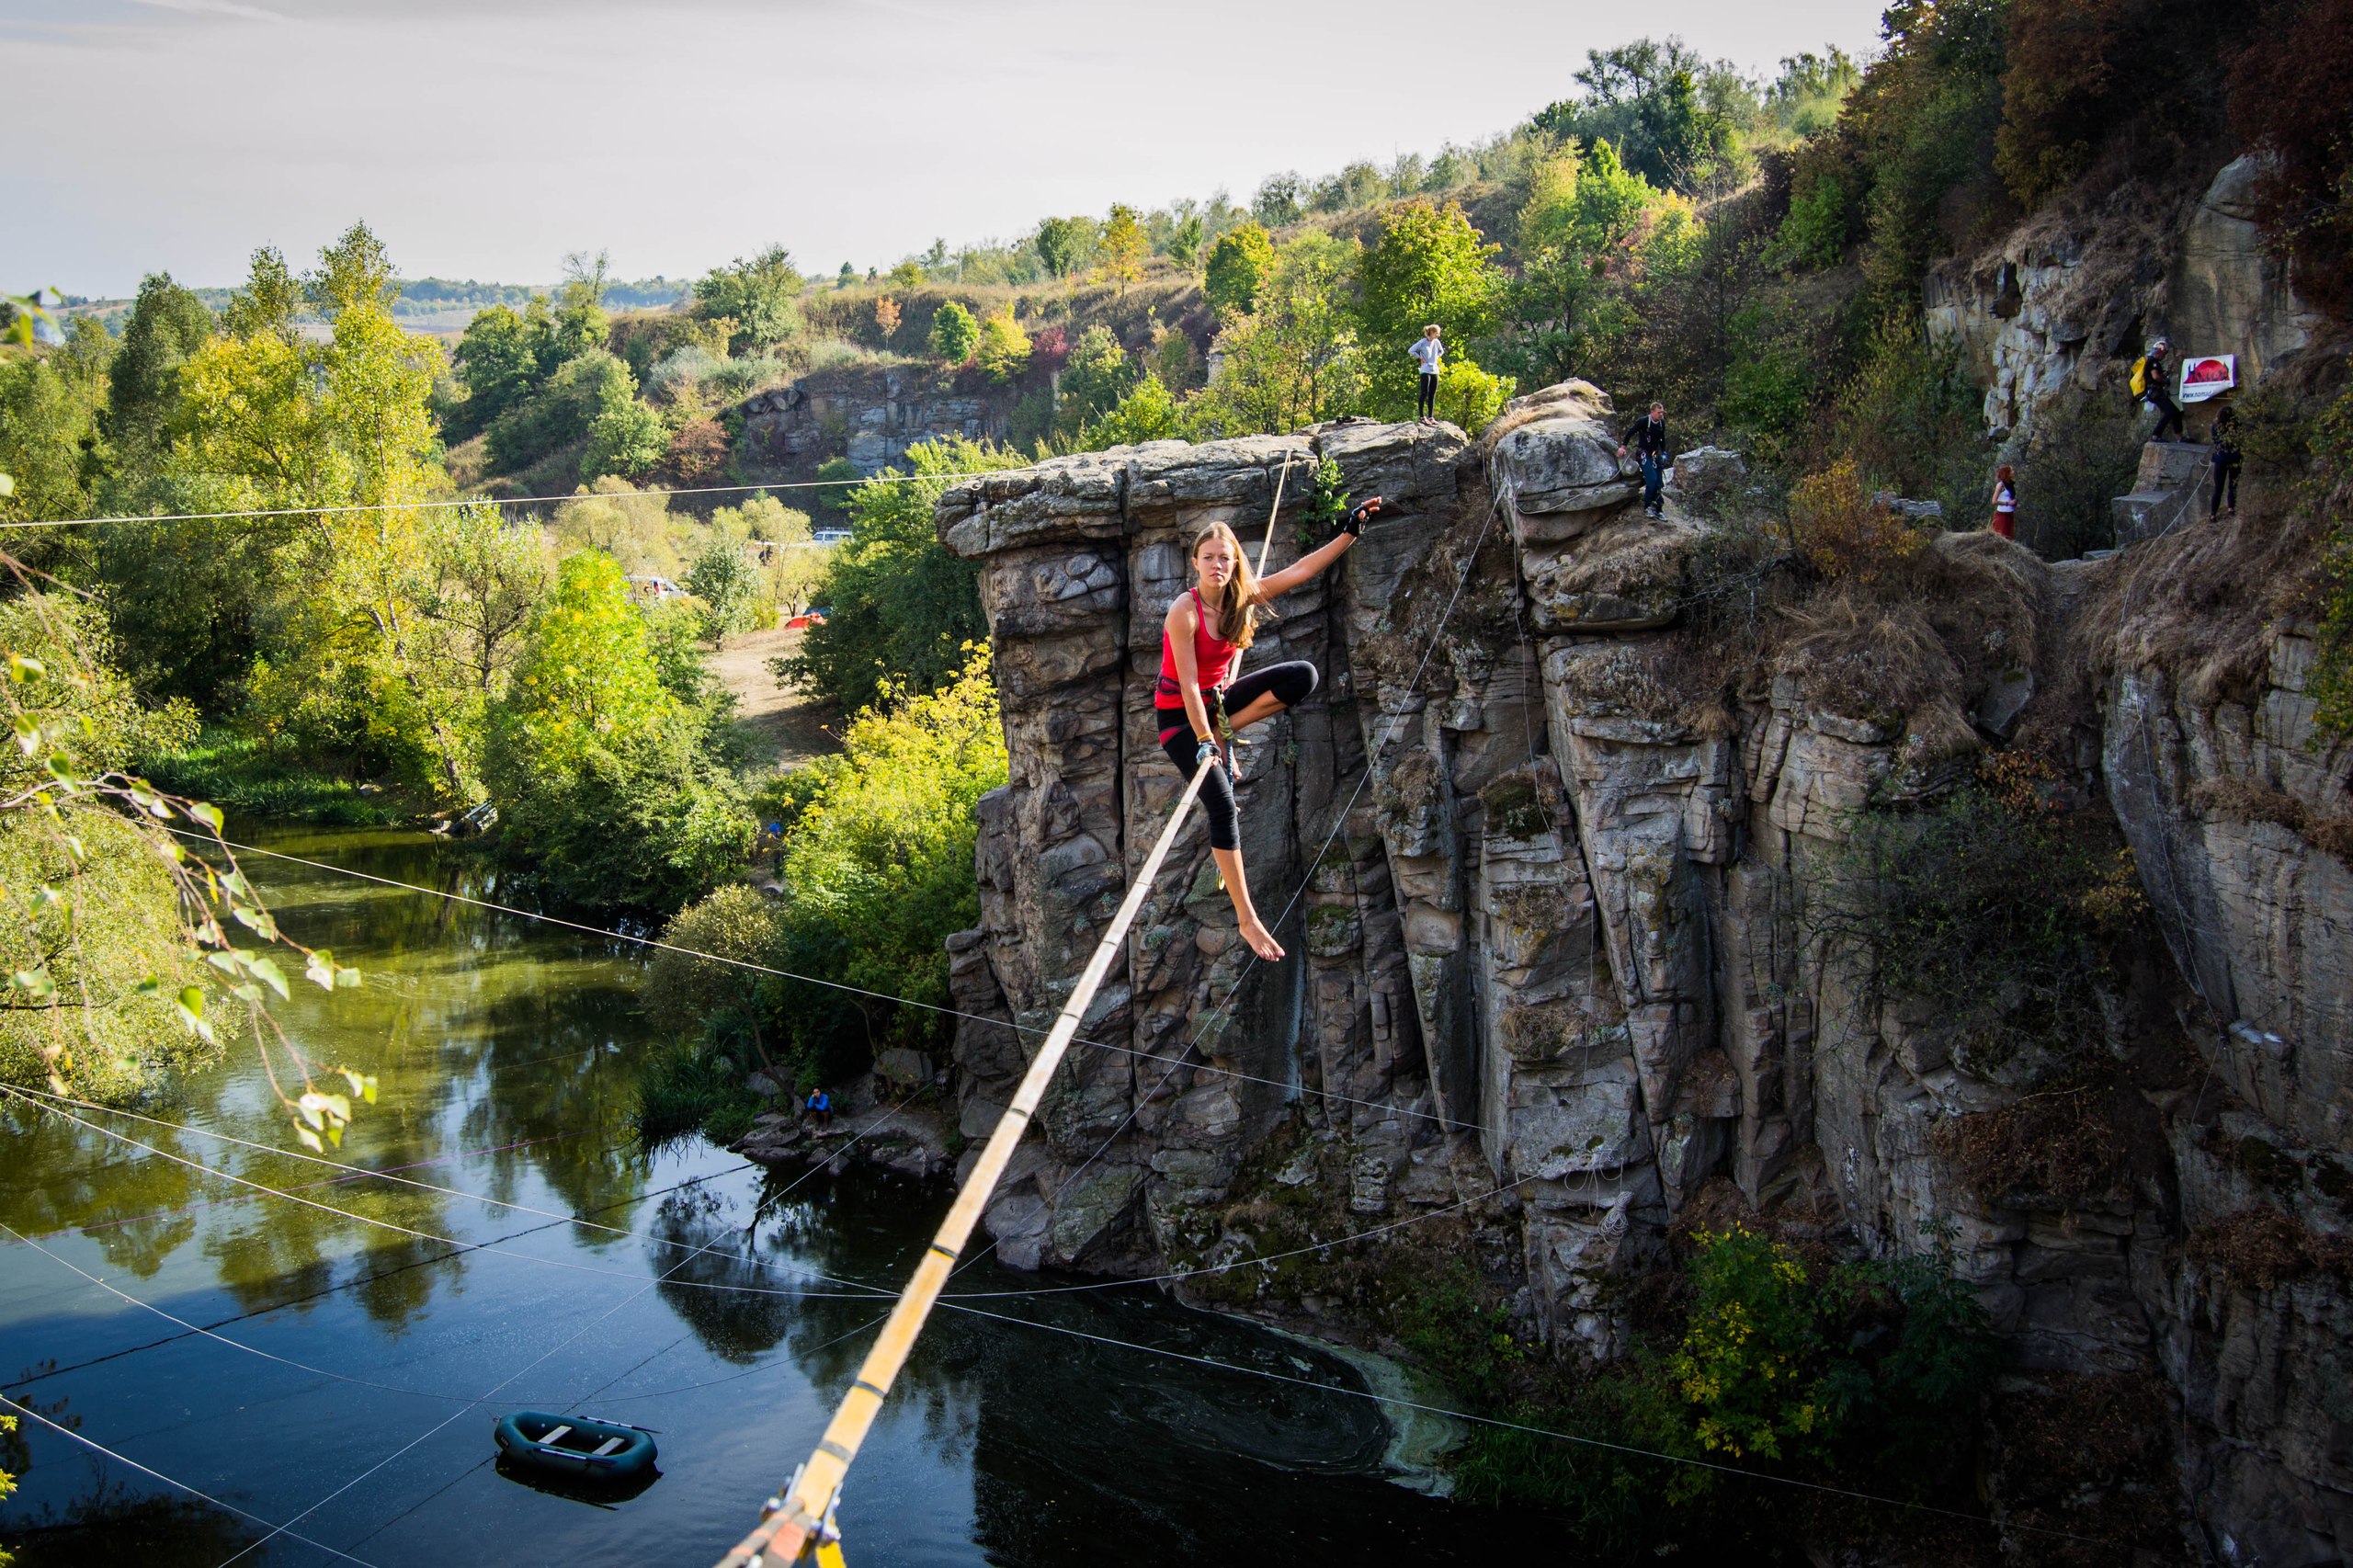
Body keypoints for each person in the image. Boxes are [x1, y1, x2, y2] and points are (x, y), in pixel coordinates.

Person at [1158, 499, 1385, 960]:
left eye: (1225, 558)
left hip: (1216, 706)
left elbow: (1300, 571)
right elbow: (1185, 688)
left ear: (1234, 562)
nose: (1217, 565)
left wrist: (1348, 534)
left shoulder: (1241, 600)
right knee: (1222, 806)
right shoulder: (1184, 611)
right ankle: (1247, 918)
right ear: (1195, 563)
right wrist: (1205, 742)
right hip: (1181, 719)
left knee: (1303, 675)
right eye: (1209, 558)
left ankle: (1227, 727)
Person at [1619, 403, 1670, 518]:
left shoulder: (1661, 423)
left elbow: (1662, 439)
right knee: (1651, 479)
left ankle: (1659, 508)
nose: (1661, 414)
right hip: (1643, 454)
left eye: (1662, 412)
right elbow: (1630, 432)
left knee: (1658, 483)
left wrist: (1664, 452)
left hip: (1655, 455)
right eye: (1659, 412)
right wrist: (1623, 447)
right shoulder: (1643, 422)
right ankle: (1648, 506)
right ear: (1652, 412)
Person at [2134, 337, 2185, 443]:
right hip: (2155, 392)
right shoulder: (2153, 362)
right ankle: (2156, 435)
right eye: (2164, 353)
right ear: (2159, 352)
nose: (2164, 356)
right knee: (2170, 412)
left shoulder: (2153, 362)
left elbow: (2158, 376)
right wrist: (2164, 381)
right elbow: (2156, 377)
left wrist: (2168, 371)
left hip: (2156, 392)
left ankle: (2179, 437)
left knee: (2175, 412)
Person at [2211, 402, 2242, 517]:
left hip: (2220, 458)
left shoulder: (2215, 426)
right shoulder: (2237, 425)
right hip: (2234, 457)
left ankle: (2213, 514)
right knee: (2232, 486)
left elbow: (2215, 440)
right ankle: (2231, 508)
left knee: (2218, 489)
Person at [1409, 324, 1444, 423]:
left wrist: (1437, 357)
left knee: (1432, 394)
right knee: (1424, 392)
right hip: (1425, 370)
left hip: (1434, 370)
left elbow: (1441, 351)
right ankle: (1421, 416)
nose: (1438, 335)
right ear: (1431, 333)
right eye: (1436, 333)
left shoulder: (1436, 342)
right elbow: (1411, 350)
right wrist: (1419, 358)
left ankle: (1430, 417)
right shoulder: (1423, 342)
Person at [1990, 464, 2018, 540]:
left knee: (2009, 538)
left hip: (2010, 514)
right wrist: (2008, 503)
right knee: (2001, 538)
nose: (2013, 472)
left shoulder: (2011, 485)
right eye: (2011, 471)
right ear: (2007, 473)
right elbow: (1994, 501)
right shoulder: (2000, 485)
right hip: (2002, 515)